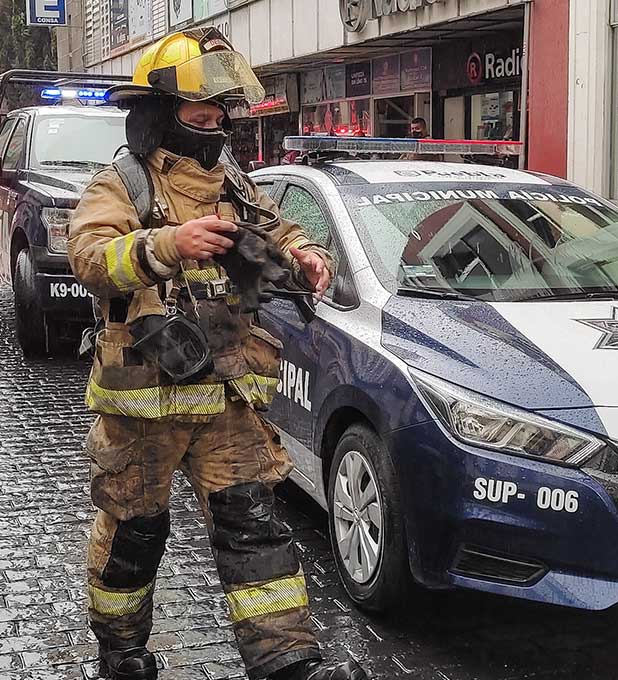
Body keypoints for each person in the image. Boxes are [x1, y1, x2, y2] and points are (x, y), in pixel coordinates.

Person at [67, 28, 370, 680]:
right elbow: (92, 257)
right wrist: (168, 243)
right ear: (157, 115)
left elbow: (278, 232)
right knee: (133, 537)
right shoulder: (121, 185)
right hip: (144, 405)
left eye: (217, 117)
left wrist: (305, 256)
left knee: (254, 529)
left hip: (228, 397)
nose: (211, 128)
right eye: (197, 116)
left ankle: (290, 664)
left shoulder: (235, 185)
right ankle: (120, 652)